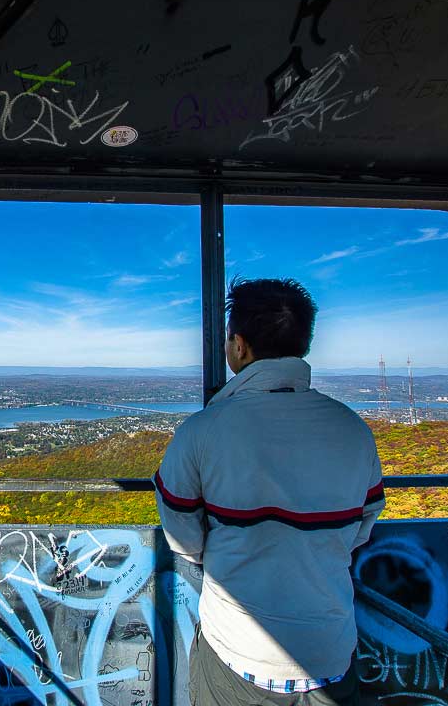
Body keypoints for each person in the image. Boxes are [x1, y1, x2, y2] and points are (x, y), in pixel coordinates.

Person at [154, 277, 385, 706]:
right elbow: (362, 526)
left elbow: (182, 537)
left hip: (239, 654)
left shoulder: (203, 431)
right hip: (331, 651)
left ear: (239, 347)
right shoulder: (353, 430)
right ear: (304, 344)